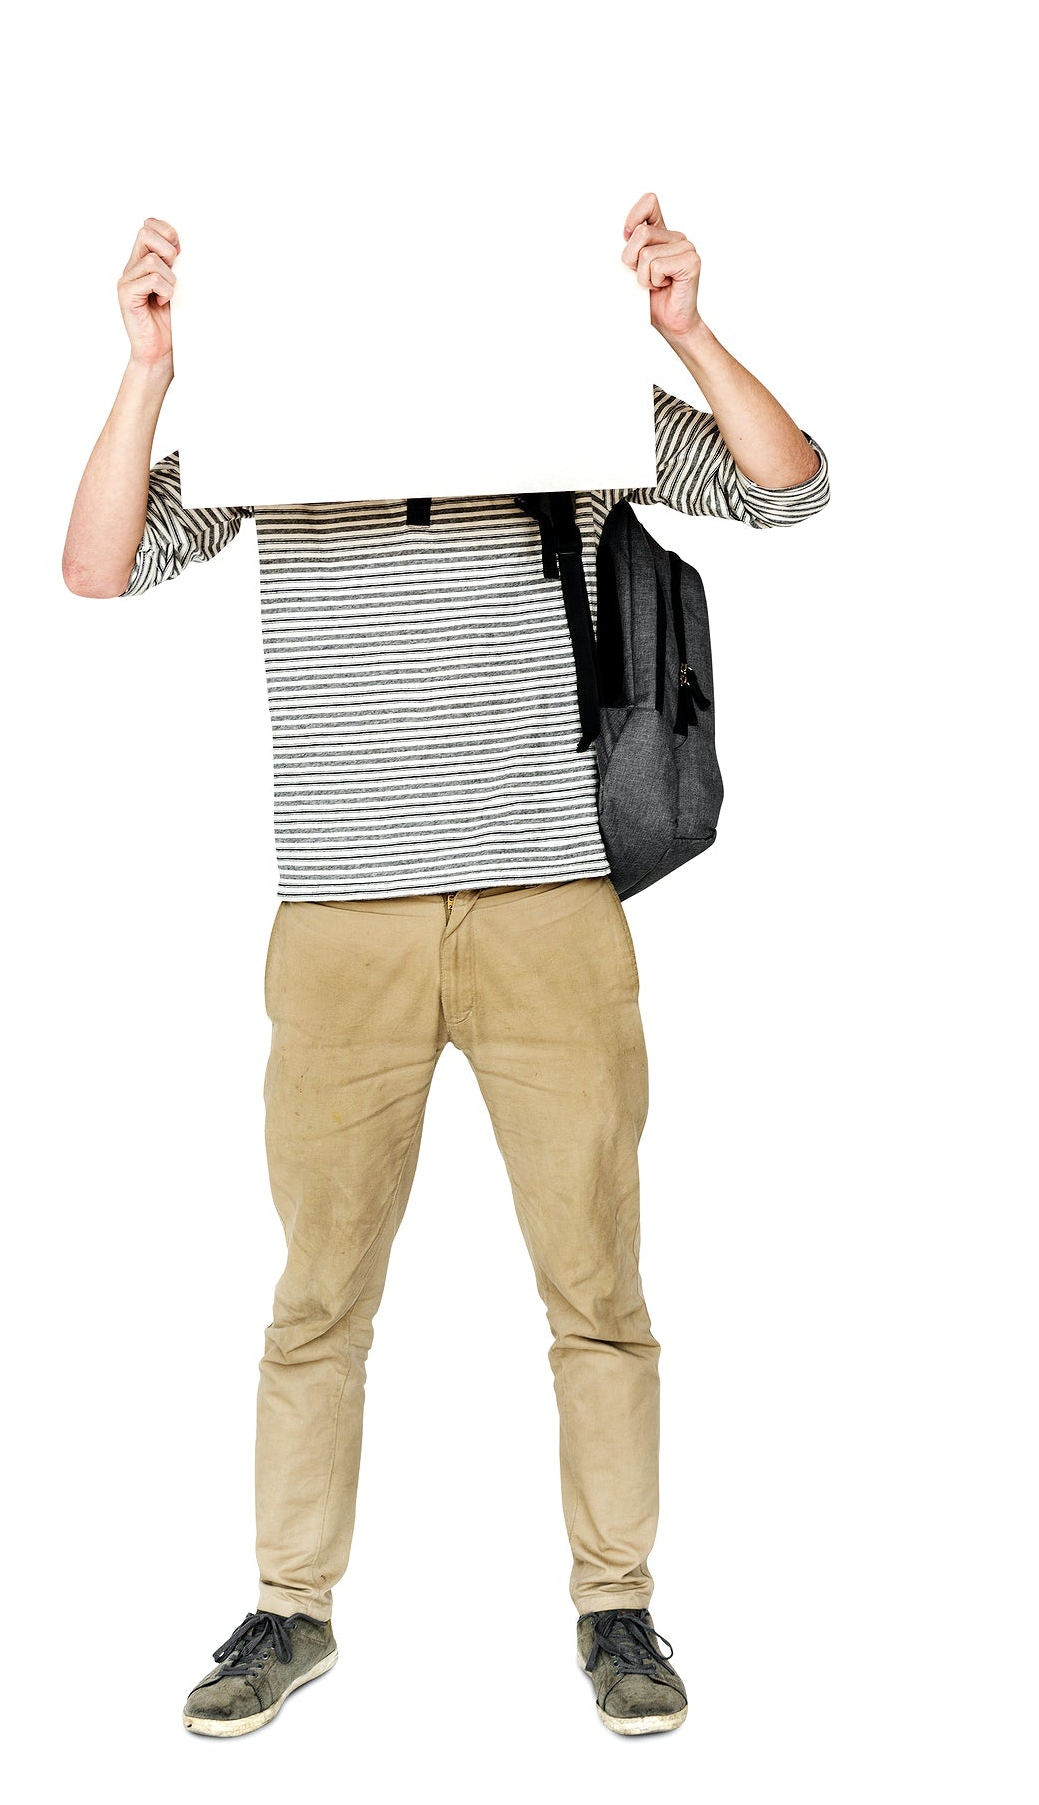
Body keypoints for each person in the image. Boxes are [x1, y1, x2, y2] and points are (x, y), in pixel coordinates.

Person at [63, 192, 829, 1738]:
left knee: (597, 1286)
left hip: (552, 908)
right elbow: (99, 566)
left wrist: (681, 327)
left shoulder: (568, 413)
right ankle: (291, 1608)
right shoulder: (287, 429)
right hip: (342, 921)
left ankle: (619, 1610)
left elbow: (788, 491)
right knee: (320, 1292)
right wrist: (146, 369)